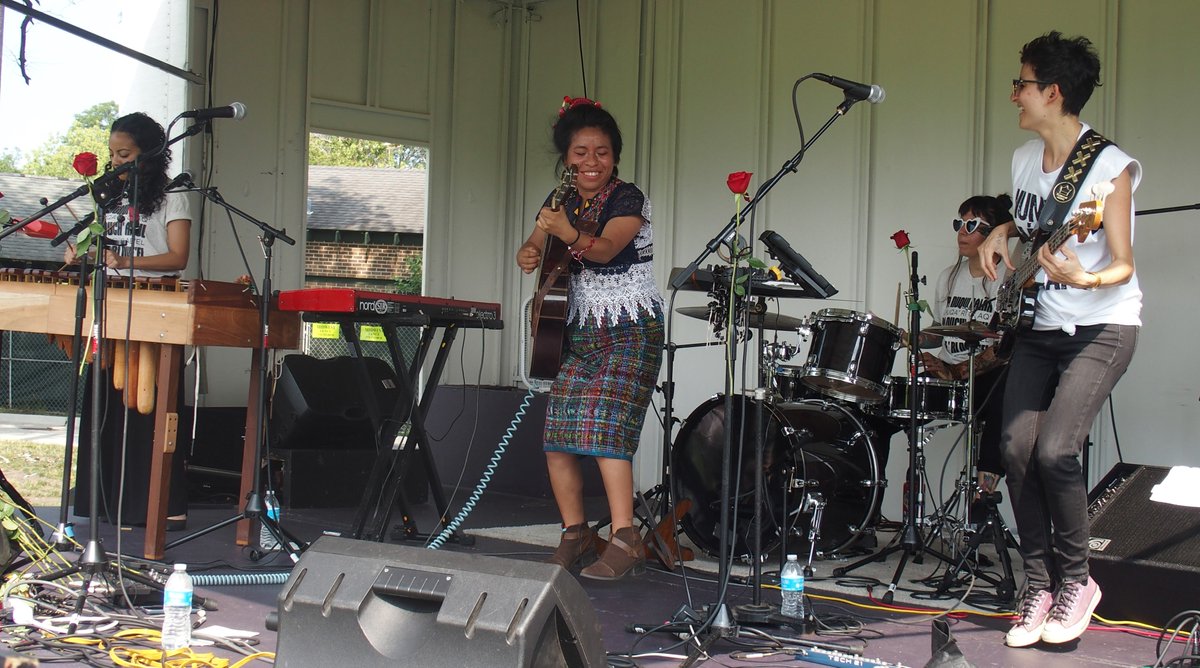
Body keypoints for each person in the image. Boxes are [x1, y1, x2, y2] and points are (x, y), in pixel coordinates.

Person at [979, 32, 1140, 648]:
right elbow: (1028, 225)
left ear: (1053, 92)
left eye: (1021, 83)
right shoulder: (1025, 159)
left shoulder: (1108, 167)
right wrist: (998, 231)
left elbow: (1122, 262)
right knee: (1015, 448)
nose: (1014, 94)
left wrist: (1084, 275)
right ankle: (1038, 584)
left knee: (1055, 452)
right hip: (1042, 327)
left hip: (1104, 326)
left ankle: (1078, 582)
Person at [516, 97, 664, 580]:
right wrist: (531, 249)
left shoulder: (628, 198)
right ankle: (575, 532)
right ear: (567, 158)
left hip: (630, 328)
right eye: (581, 152)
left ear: (615, 157)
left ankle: (625, 537)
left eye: (602, 151)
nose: (592, 161)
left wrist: (567, 232)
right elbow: (536, 243)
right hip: (577, 330)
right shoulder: (558, 199)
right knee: (558, 438)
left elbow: (604, 249)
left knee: (606, 433)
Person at [67, 111, 192, 530]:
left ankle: (154, 506)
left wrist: (126, 260)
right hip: (113, 304)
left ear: (149, 155)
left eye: (125, 154)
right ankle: (103, 504)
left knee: (148, 406)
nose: (116, 161)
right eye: (112, 154)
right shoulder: (109, 198)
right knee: (107, 399)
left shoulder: (174, 197)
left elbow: (178, 257)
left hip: (155, 307)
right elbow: (102, 249)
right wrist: (84, 256)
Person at [921, 194, 1013, 497]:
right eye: (959, 223)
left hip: (984, 377)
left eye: (972, 224)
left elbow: (1004, 347)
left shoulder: (1010, 280)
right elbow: (942, 332)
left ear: (994, 234)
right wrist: (910, 338)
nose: (962, 231)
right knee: (880, 405)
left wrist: (957, 372)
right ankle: (868, 511)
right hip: (948, 374)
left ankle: (982, 501)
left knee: (1004, 395)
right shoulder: (948, 277)